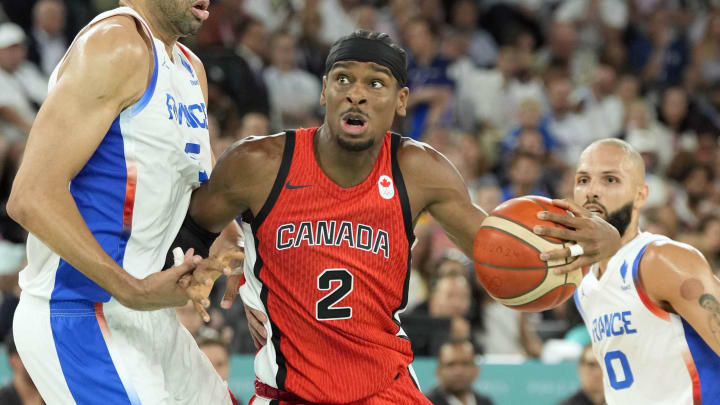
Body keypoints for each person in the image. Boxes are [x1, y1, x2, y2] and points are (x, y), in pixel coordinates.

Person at [187, 30, 621, 404]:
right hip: (291, 391)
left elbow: (502, 251)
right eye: (343, 80)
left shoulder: (419, 170)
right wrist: (222, 250)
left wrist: (597, 245)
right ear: (324, 92)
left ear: (400, 100)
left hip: (386, 390)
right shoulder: (259, 163)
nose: (356, 93)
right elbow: (187, 230)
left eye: (375, 84)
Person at [7, 1, 242, 404]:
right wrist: (130, 289)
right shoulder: (114, 45)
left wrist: (227, 241)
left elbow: (192, 189)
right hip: (79, 315)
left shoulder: (190, 69)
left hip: (151, 315)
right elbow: (30, 195)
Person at [553, 138, 720, 404]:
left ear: (640, 195)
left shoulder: (660, 260)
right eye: (583, 180)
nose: (592, 191)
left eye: (610, 180)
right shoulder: (583, 285)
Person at [425, 339, 493, 405]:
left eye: (465, 364)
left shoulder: (486, 402)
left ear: (476, 370)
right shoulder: (425, 402)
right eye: (451, 364)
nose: (458, 371)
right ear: (438, 371)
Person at [0, 333, 44, 405]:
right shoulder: (4, 399)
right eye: (30, 356)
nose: (36, 362)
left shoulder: (50, 392)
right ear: (14, 361)